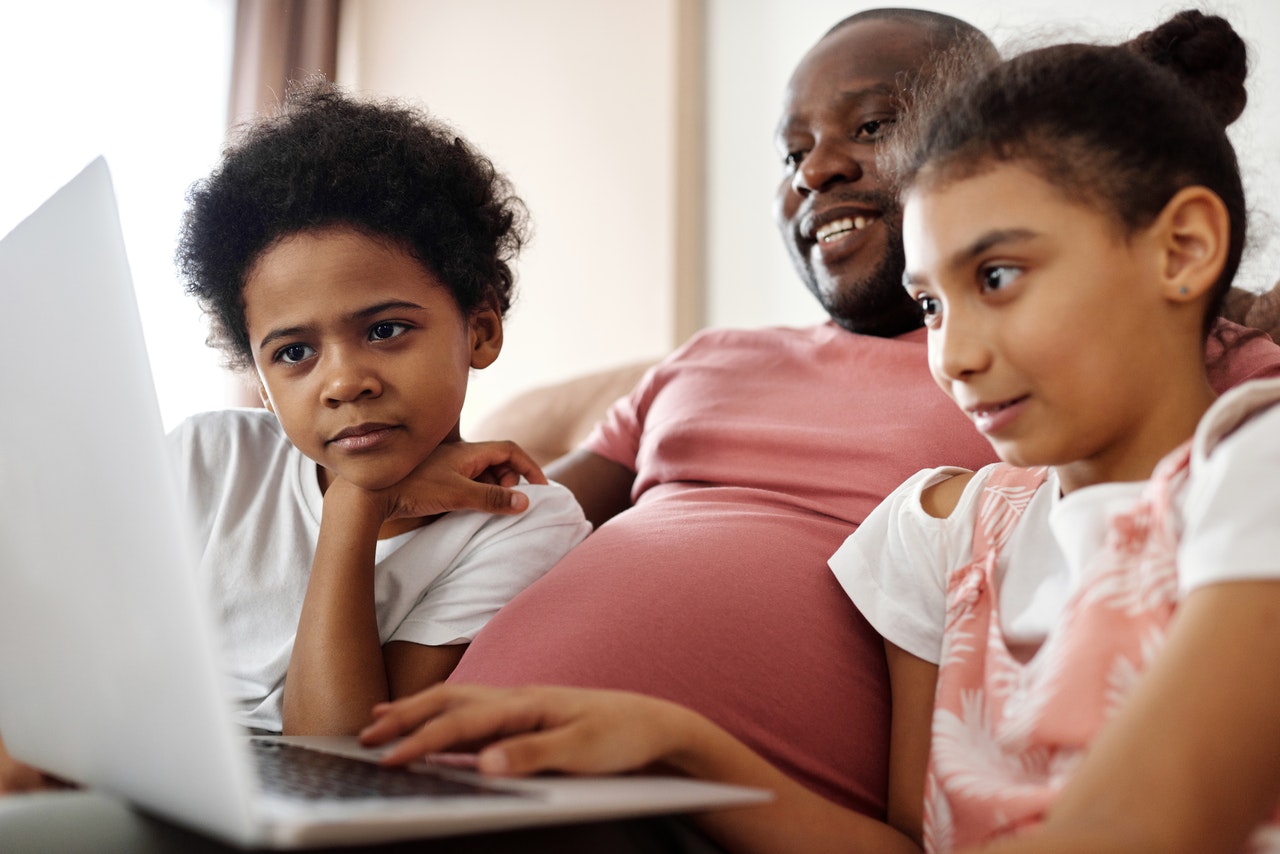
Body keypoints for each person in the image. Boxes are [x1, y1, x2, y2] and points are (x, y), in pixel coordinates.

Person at [362, 10, 1280, 852]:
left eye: (996, 277)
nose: (954, 354)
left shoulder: (1225, 446)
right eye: (931, 305)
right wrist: (370, 496)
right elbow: (509, 510)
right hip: (517, 775)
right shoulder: (931, 521)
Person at [0, 80, 591, 792]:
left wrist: (354, 505)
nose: (345, 382)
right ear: (258, 372)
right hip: (133, 774)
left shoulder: (518, 520)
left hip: (290, 801)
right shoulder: (209, 457)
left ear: (481, 330)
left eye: (385, 330)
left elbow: (340, 761)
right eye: (294, 353)